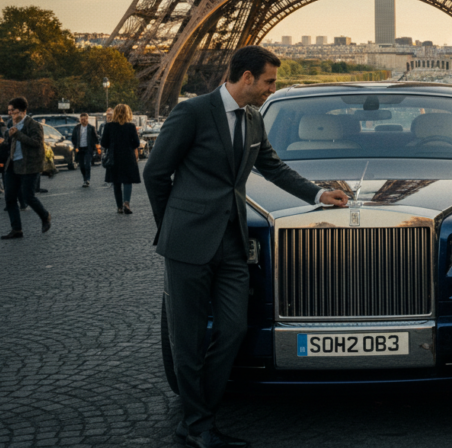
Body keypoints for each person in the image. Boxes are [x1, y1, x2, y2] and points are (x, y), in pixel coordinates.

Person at [143, 46, 350, 448]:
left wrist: (319, 196)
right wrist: (172, 227)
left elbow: (272, 166)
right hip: (188, 242)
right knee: (187, 340)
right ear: (247, 77)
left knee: (234, 328)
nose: (274, 87)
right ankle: (199, 424)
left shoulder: (253, 119)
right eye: (270, 81)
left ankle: (199, 415)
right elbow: (155, 173)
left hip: (233, 241)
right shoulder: (193, 112)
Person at [1, 97, 52, 239]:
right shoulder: (11, 124)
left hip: (29, 165)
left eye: (14, 111)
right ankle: (16, 229)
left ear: (23, 111)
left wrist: (17, 134)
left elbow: (36, 142)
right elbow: (10, 142)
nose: (11, 114)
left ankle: (45, 216)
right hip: (13, 164)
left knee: (28, 196)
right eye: (9, 111)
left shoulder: (34, 125)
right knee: (10, 198)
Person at [101, 104, 142, 214]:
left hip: (114, 157)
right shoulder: (131, 126)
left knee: (116, 182)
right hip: (128, 156)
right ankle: (126, 203)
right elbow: (136, 143)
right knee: (127, 181)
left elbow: (104, 143)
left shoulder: (109, 126)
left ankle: (119, 206)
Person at [71, 113, 100, 188]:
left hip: (88, 148)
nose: (83, 121)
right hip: (79, 149)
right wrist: (75, 146)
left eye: (84, 119)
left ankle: (87, 180)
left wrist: (96, 147)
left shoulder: (91, 127)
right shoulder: (77, 128)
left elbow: (95, 138)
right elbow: (73, 138)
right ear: (80, 120)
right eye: (82, 119)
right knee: (81, 166)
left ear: (87, 119)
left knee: (87, 164)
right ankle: (84, 178)